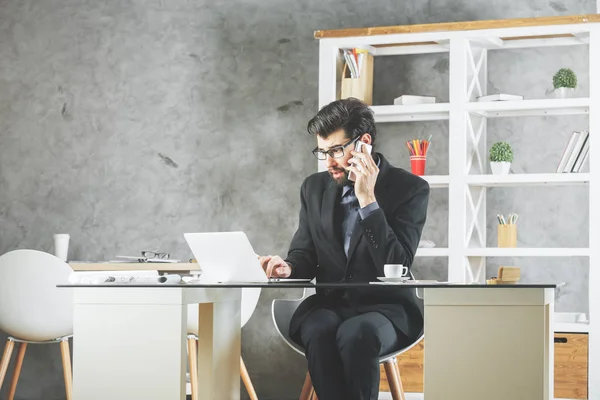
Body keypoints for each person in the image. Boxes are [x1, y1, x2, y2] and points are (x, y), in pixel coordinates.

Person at [259, 98, 430, 400]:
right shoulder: (314, 188)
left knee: (356, 333)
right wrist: (289, 267)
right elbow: (305, 254)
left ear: (364, 142)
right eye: (322, 152)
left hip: (386, 310)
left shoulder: (410, 189)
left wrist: (367, 200)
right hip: (330, 305)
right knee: (318, 328)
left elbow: (398, 264)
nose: (328, 163)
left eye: (336, 150)